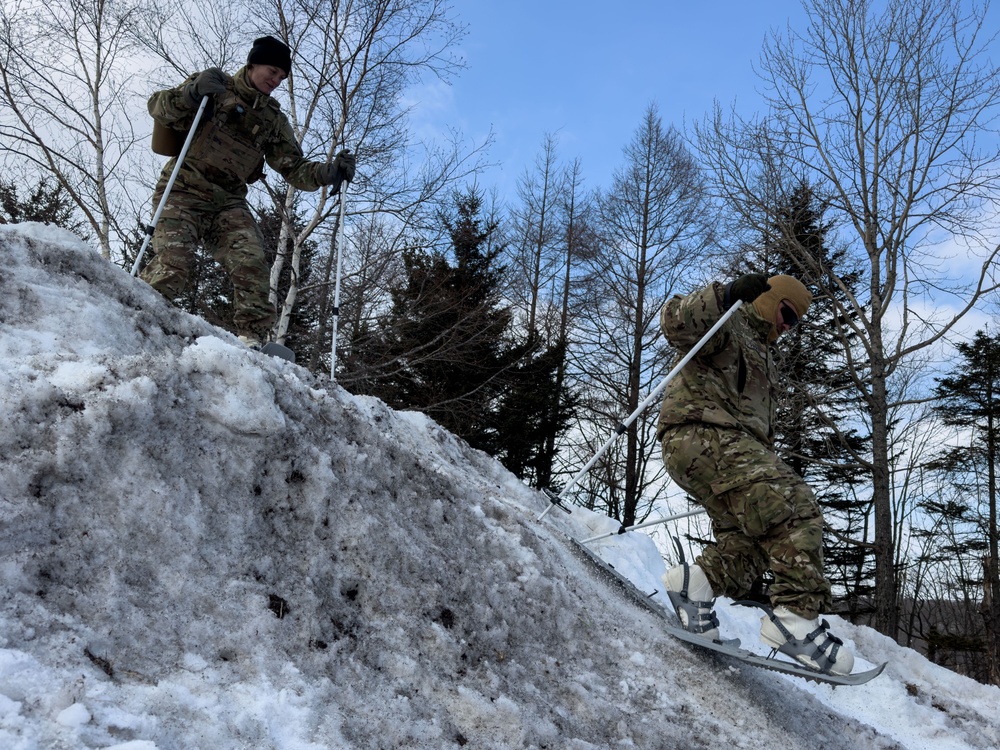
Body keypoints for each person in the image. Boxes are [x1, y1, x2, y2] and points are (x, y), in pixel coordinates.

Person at [656, 273, 855, 676]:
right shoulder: (728, 322)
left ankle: (695, 585)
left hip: (727, 450)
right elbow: (675, 321)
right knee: (794, 506)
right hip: (700, 435)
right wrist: (725, 294)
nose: (788, 326)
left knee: (748, 543)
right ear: (769, 299)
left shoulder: (765, 356)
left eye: (796, 321)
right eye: (787, 313)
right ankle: (795, 620)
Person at [141, 35, 356, 349]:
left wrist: (328, 172)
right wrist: (190, 93)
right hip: (183, 190)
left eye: (282, 77)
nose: (276, 80)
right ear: (253, 63)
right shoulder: (215, 86)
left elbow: (293, 168)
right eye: (272, 71)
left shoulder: (273, 120)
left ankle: (252, 341)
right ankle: (137, 310)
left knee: (252, 262)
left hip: (227, 201)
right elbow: (158, 107)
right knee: (175, 264)